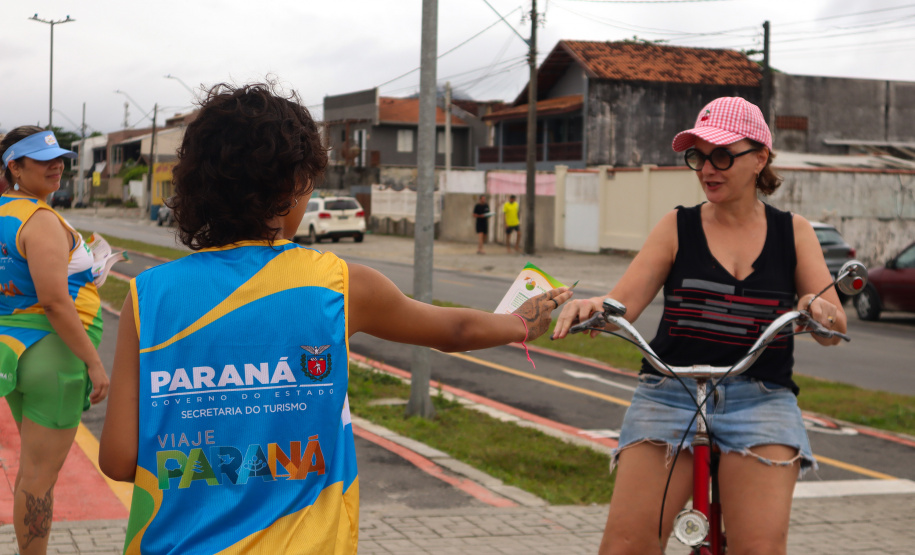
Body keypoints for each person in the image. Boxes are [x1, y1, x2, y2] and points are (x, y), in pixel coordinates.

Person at [97, 82, 572, 555]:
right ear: (293, 184)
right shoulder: (339, 284)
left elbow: (119, 460)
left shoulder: (148, 295)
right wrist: (523, 323)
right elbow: (454, 329)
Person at [552, 97, 844, 555]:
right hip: (669, 393)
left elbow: (833, 323)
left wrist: (815, 307)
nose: (708, 168)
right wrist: (594, 307)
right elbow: (621, 303)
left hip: (760, 399)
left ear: (760, 158)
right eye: (698, 156)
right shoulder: (677, 226)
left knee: (759, 548)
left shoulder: (795, 232)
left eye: (723, 155)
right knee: (626, 545)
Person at [0, 127, 109, 554]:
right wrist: (94, 364)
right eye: (41, 159)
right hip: (54, 356)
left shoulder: (6, 213)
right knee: (40, 478)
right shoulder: (39, 219)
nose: (56, 165)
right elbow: (55, 301)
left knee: (31, 473)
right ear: (15, 167)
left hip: (17, 348)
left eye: (59, 157)